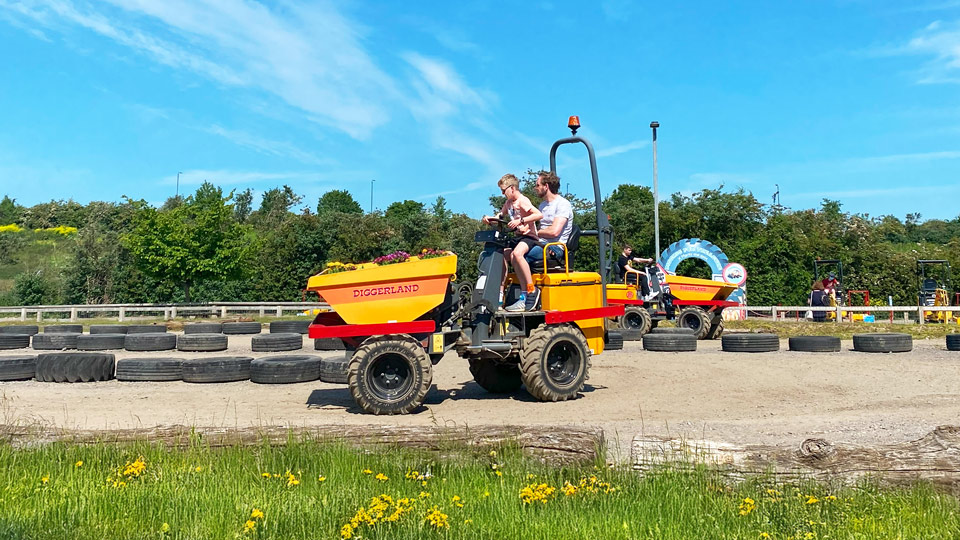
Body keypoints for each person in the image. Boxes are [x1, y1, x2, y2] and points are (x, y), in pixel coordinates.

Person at [512, 171, 574, 312]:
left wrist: (533, 232)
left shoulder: (563, 204)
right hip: (540, 243)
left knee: (519, 254)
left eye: (537, 185)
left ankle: (530, 292)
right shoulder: (542, 206)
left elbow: (554, 232)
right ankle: (515, 294)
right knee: (509, 252)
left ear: (546, 186)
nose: (535, 188)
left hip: (555, 248)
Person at [481, 174, 542, 309]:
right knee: (501, 254)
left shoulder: (522, 201)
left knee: (517, 254)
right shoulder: (508, 203)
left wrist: (520, 221)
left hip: (529, 237)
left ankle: (531, 290)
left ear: (512, 188)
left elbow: (538, 214)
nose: (503, 193)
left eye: (504, 190)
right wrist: (490, 219)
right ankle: (500, 292)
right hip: (518, 238)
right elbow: (500, 215)